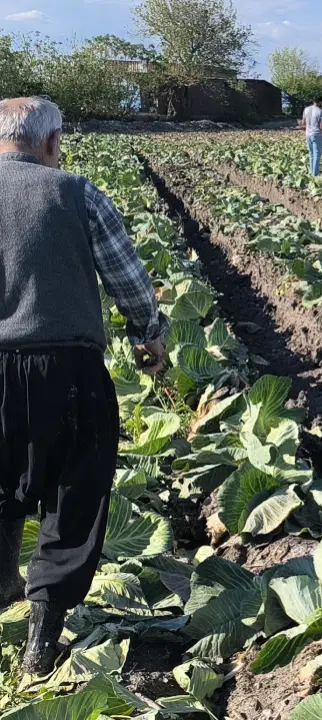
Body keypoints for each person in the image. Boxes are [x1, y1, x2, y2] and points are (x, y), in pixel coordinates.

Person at [0, 97, 168, 675]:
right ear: (49, 143)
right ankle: (41, 637)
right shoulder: (75, 191)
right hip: (67, 368)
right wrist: (149, 334)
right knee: (75, 490)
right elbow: (124, 272)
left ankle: (2, 594)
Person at [303, 98, 322, 177]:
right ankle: (315, 174)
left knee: (311, 154)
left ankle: (312, 172)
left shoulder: (306, 109)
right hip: (316, 134)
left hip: (308, 134)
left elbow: (303, 122)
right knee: (317, 154)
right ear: (319, 102)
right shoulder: (321, 111)